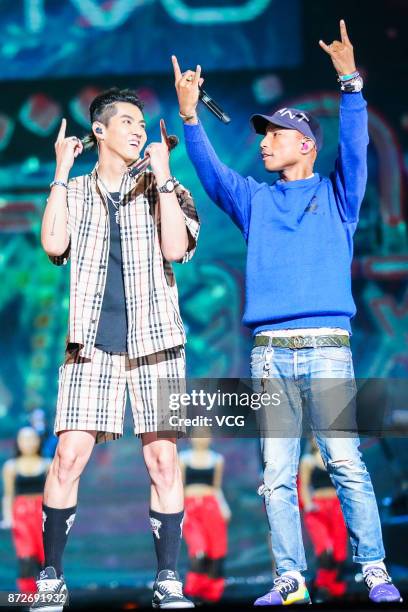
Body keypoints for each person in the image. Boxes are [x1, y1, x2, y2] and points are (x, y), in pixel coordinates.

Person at [171, 18, 402, 606]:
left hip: (327, 347)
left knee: (345, 463)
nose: (264, 141)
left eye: (274, 133)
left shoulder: (337, 195)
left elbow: (355, 145)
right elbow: (214, 176)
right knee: (275, 476)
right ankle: (290, 579)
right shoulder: (255, 200)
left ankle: (374, 570)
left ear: (305, 143)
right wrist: (191, 117)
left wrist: (350, 82)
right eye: (262, 135)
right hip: (270, 354)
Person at [32, 87, 200, 611]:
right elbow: (53, 245)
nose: (138, 129)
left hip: (157, 343)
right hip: (91, 345)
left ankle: (168, 579)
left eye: (142, 122)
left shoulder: (163, 186)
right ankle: (51, 577)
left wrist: (167, 177)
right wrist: (61, 172)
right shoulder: (77, 192)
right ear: (99, 131)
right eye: (126, 121)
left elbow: (177, 248)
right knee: (67, 457)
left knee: (163, 461)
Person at [179, 432, 230, 603]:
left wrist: (223, 506)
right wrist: (181, 510)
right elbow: (180, 486)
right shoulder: (183, 458)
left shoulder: (217, 459)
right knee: (198, 551)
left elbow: (216, 487)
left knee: (215, 551)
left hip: (211, 506)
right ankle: (192, 591)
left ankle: (210, 594)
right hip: (191, 507)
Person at [2, 427, 50, 593]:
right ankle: (28, 595)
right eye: (24, 439)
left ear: (38, 441)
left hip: (43, 513)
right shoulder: (11, 467)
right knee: (26, 554)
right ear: (18, 442)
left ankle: (49, 597)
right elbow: (8, 495)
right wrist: (8, 518)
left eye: (32, 439)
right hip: (22, 515)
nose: (28, 443)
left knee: (47, 553)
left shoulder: (47, 464)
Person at [299, 439, 348, 599]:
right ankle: (320, 586)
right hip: (318, 509)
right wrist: (308, 505)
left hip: (338, 507)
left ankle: (333, 588)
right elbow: (303, 486)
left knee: (339, 551)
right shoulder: (308, 460)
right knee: (325, 550)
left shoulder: (336, 457)